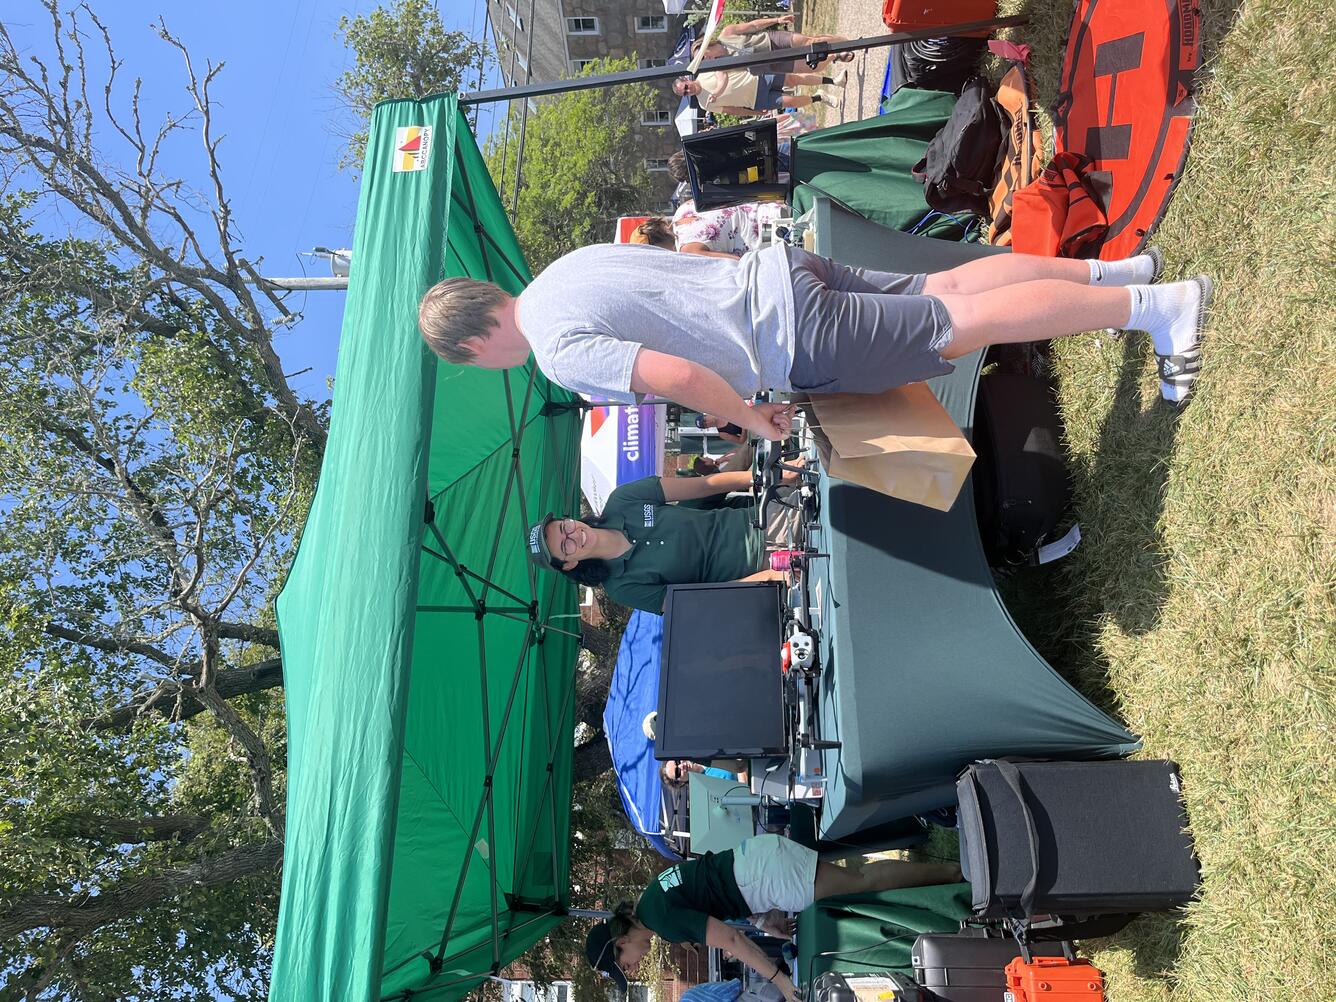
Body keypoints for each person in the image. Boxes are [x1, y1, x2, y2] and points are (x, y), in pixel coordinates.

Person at [418, 243, 1213, 428]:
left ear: (475, 345)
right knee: (949, 287)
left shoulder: (556, 350)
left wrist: (750, 420)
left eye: (476, 364)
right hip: (783, 272)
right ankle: (1118, 272)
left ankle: (1159, 306)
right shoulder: (565, 268)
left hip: (793, 335)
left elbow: (676, 376)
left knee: (960, 323)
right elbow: (691, 264)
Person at [583, 834, 961, 1002]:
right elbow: (714, 889)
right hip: (757, 865)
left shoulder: (662, 921)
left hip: (765, 875)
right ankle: (950, 880)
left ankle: (953, 877)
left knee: (860, 883)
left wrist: (780, 980)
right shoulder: (651, 898)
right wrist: (765, 922)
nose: (632, 968)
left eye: (624, 964)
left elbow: (731, 940)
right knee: (857, 884)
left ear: (621, 942)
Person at [524, 472, 798, 614]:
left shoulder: (622, 500)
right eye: (565, 546)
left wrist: (769, 477)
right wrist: (768, 578)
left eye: (565, 527)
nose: (573, 535)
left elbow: (705, 485)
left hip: (767, 518)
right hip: (767, 568)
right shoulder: (621, 588)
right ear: (569, 564)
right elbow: (702, 600)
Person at [691, 14, 853, 76]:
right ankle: (834, 55)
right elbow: (722, 82)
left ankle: (847, 43)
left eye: (702, 57)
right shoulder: (720, 67)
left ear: (705, 46)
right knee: (812, 67)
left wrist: (777, 20)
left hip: (773, 42)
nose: (706, 60)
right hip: (772, 64)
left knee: (811, 42)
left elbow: (753, 26)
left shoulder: (727, 33)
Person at [674, 72, 841, 115]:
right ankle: (819, 97)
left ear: (687, 80)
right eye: (685, 93)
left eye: (686, 87)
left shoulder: (704, 73)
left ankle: (833, 80)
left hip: (757, 79)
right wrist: (754, 113)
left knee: (793, 79)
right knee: (790, 102)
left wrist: (716, 92)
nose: (688, 91)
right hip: (755, 100)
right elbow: (732, 110)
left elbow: (722, 76)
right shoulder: (704, 104)